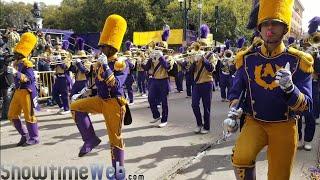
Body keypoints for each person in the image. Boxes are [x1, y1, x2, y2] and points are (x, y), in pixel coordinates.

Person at [228, 0, 314, 179]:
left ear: (285, 28)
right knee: (241, 158)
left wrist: (291, 89)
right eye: (265, 24)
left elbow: (307, 106)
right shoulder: (247, 58)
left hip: (284, 125)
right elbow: (236, 90)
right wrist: (233, 110)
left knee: (278, 176)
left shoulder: (300, 61)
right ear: (259, 28)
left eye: (275, 23)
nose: (270, 28)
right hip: (255, 122)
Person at [70, 14, 131, 176]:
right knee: (75, 107)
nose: (100, 49)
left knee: (115, 139)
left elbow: (116, 85)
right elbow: (97, 84)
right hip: (100, 100)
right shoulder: (99, 63)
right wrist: (85, 92)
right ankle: (90, 139)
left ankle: (118, 173)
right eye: (101, 46)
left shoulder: (121, 63)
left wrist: (106, 66)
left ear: (111, 48)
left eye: (103, 47)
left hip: (114, 104)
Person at [7, 32, 40, 146]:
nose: (14, 54)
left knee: (29, 115)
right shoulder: (16, 63)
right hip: (18, 91)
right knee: (11, 114)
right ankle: (25, 135)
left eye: (16, 53)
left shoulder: (27, 63)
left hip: (26, 91)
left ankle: (34, 137)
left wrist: (16, 73)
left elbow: (29, 79)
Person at [144, 27, 172, 128]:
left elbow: (167, 67)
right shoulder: (154, 57)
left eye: (160, 48)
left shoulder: (169, 57)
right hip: (154, 80)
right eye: (158, 48)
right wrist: (150, 58)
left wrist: (161, 57)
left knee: (164, 101)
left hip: (164, 80)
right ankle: (156, 115)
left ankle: (164, 120)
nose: (158, 49)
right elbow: (146, 68)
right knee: (150, 98)